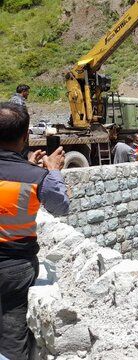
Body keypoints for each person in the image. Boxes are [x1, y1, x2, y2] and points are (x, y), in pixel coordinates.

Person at [0, 102, 69, 360]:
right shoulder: (35, 177)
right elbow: (60, 207)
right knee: (12, 336)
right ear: (25, 136)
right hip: (15, 268)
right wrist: (52, 172)